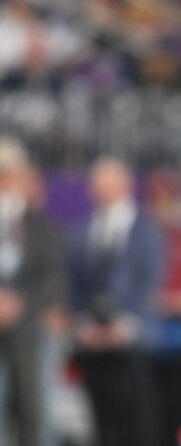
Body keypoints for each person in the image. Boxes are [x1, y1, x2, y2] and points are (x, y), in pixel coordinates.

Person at [69, 158, 163, 446]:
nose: (102, 190)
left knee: (137, 421)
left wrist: (125, 326)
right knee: (101, 422)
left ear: (124, 185)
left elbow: (149, 281)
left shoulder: (146, 228)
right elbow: (76, 283)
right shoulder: (84, 229)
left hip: (134, 341)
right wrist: (84, 325)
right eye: (97, 185)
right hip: (93, 342)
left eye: (108, 184)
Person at [0, 139, 68, 446]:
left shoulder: (41, 225)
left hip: (28, 328)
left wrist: (21, 303)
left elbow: (51, 275)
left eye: (10, 175)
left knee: (33, 409)